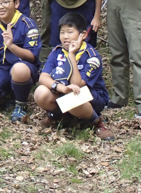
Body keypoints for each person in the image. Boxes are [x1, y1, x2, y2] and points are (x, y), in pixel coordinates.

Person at [33, 12, 114, 141]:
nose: (65, 36)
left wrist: (71, 55)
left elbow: (77, 84)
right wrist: (62, 88)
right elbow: (43, 77)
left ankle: (97, 122)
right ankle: (60, 117)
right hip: (65, 91)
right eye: (62, 32)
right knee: (40, 92)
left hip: (91, 97)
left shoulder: (91, 55)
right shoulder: (57, 51)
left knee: (73, 97)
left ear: (83, 35)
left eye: (70, 32)